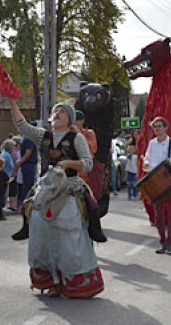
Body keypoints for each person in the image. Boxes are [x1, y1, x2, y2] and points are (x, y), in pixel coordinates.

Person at [9, 98, 105, 298]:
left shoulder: (76, 138)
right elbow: (21, 125)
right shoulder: (42, 135)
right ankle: (51, 279)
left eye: (62, 111)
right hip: (46, 189)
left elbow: (87, 164)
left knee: (70, 236)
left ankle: (77, 276)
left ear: (69, 119)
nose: (58, 113)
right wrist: (12, 101)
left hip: (69, 189)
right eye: (56, 111)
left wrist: (69, 163)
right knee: (40, 231)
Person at [144, 116, 171, 256]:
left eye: (159, 126)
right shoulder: (152, 144)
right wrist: (145, 163)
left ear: (165, 127)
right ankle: (163, 241)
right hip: (156, 182)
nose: (157, 129)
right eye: (155, 127)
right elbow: (147, 158)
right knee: (158, 215)